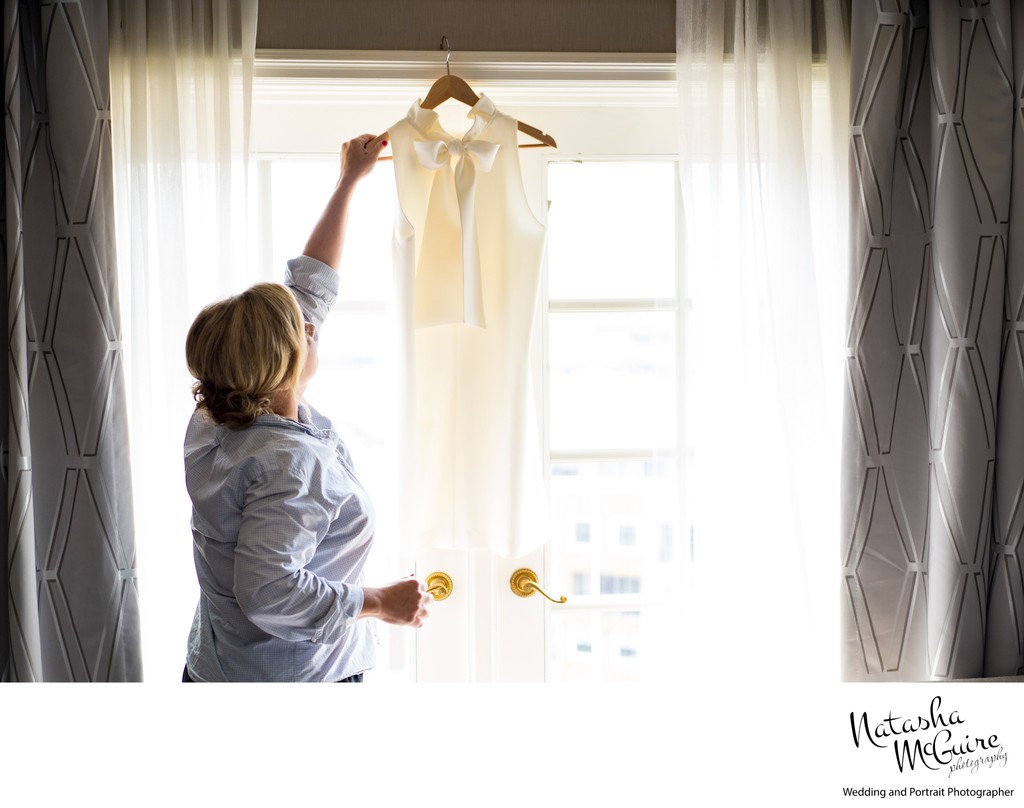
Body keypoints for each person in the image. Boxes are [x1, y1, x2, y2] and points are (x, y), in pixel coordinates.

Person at [181, 134, 429, 682]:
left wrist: (348, 183)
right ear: (282, 364)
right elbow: (269, 592)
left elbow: (309, 290)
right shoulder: (289, 464)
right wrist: (379, 603)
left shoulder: (216, 411)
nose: (312, 323)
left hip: (219, 666)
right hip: (290, 682)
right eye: (301, 330)